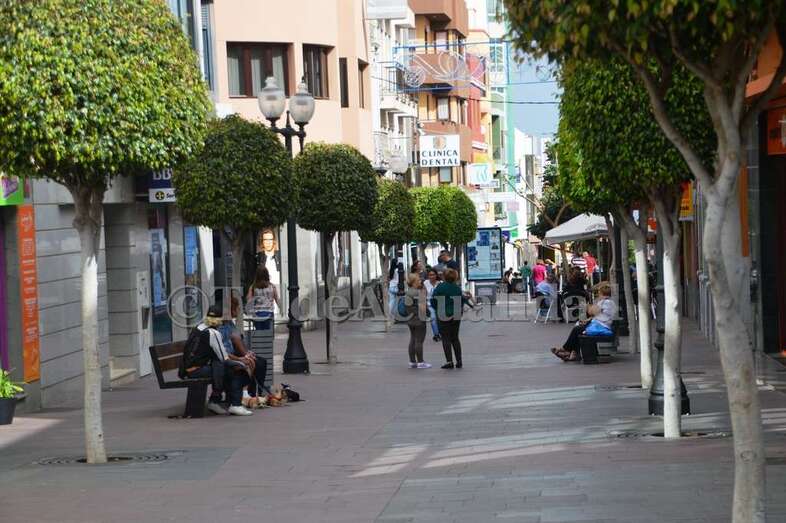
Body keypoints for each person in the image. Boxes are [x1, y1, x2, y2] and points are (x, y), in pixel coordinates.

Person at [183, 306, 252, 416]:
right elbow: (223, 357)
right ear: (220, 320)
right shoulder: (213, 333)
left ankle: (215, 400)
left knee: (221, 367)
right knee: (237, 370)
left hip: (189, 368)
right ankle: (236, 405)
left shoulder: (198, 328)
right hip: (198, 370)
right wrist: (240, 362)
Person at [219, 298, 269, 408]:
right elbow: (225, 351)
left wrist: (247, 353)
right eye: (237, 309)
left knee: (260, 361)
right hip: (226, 359)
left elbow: (237, 340)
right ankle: (247, 395)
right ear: (231, 310)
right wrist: (242, 357)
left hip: (232, 355)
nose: (238, 311)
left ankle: (255, 394)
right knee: (251, 362)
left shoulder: (229, 323)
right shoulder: (221, 327)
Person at [550, 283, 616, 362]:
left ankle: (566, 350)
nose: (598, 295)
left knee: (577, 329)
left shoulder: (607, 302)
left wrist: (588, 306)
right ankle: (572, 353)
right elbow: (599, 315)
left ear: (601, 293)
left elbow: (592, 312)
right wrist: (588, 320)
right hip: (599, 324)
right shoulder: (606, 302)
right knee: (578, 327)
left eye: (598, 293)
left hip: (601, 327)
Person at [431, 268, 472, 369]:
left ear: (444, 276)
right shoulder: (457, 288)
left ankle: (449, 361)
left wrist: (437, 308)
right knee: (455, 338)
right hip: (456, 315)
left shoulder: (440, 287)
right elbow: (461, 300)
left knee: (446, 338)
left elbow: (433, 300)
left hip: (443, 314)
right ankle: (459, 361)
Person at [404, 273, 432, 369]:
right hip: (419, 319)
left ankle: (412, 361)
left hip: (410, 319)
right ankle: (420, 362)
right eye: (418, 280)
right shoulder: (418, 293)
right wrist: (428, 314)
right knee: (419, 341)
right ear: (414, 282)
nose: (420, 281)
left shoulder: (408, 292)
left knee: (413, 339)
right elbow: (423, 307)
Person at [246, 266, 282, 330]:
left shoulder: (253, 287)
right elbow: (277, 299)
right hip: (269, 313)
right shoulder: (272, 287)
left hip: (257, 314)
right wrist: (281, 309)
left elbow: (249, 300)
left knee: (259, 334)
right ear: (267, 275)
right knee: (269, 334)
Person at [423, 268, 441, 342]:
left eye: (433, 275)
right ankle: (436, 335)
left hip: (439, 304)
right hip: (429, 304)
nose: (431, 276)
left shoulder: (440, 283)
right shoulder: (425, 283)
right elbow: (423, 295)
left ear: (436, 275)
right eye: (430, 275)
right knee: (433, 318)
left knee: (440, 320)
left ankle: (441, 333)